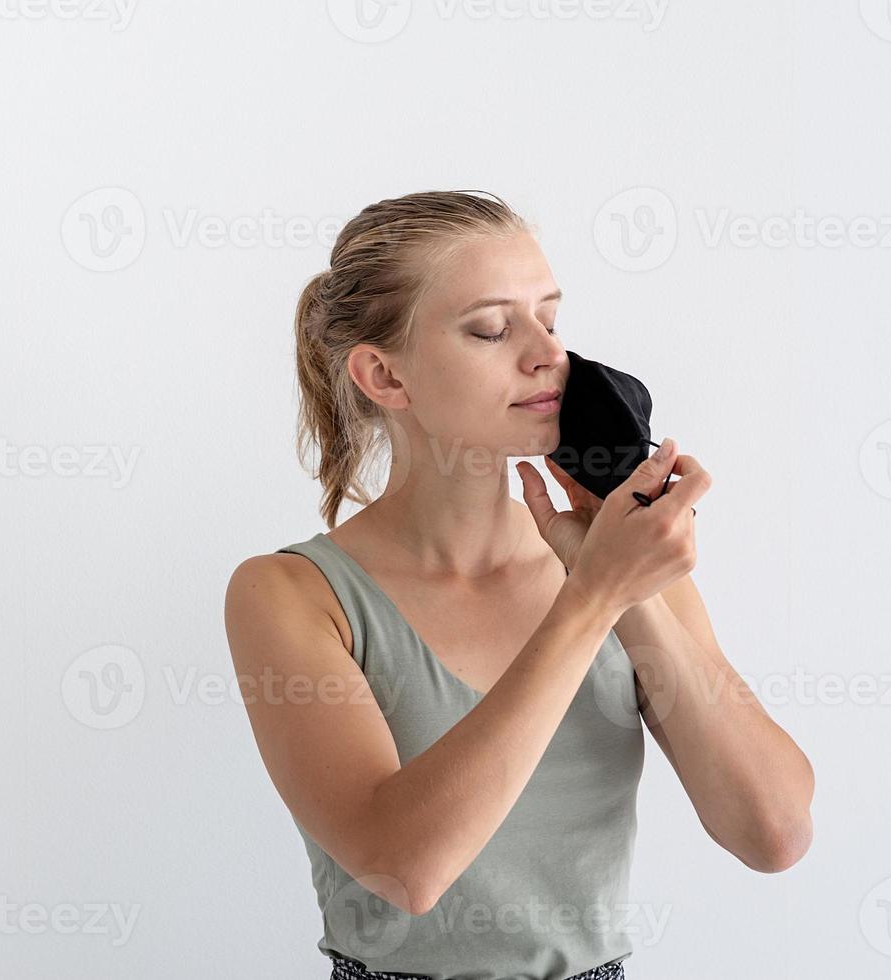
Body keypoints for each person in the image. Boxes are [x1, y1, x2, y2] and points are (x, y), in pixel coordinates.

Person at [223, 190, 815, 980]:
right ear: (384, 377)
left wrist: (623, 592)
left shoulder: (621, 562)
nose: (547, 356)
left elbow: (773, 834)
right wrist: (592, 598)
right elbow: (405, 868)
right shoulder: (292, 595)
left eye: (551, 320)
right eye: (493, 329)